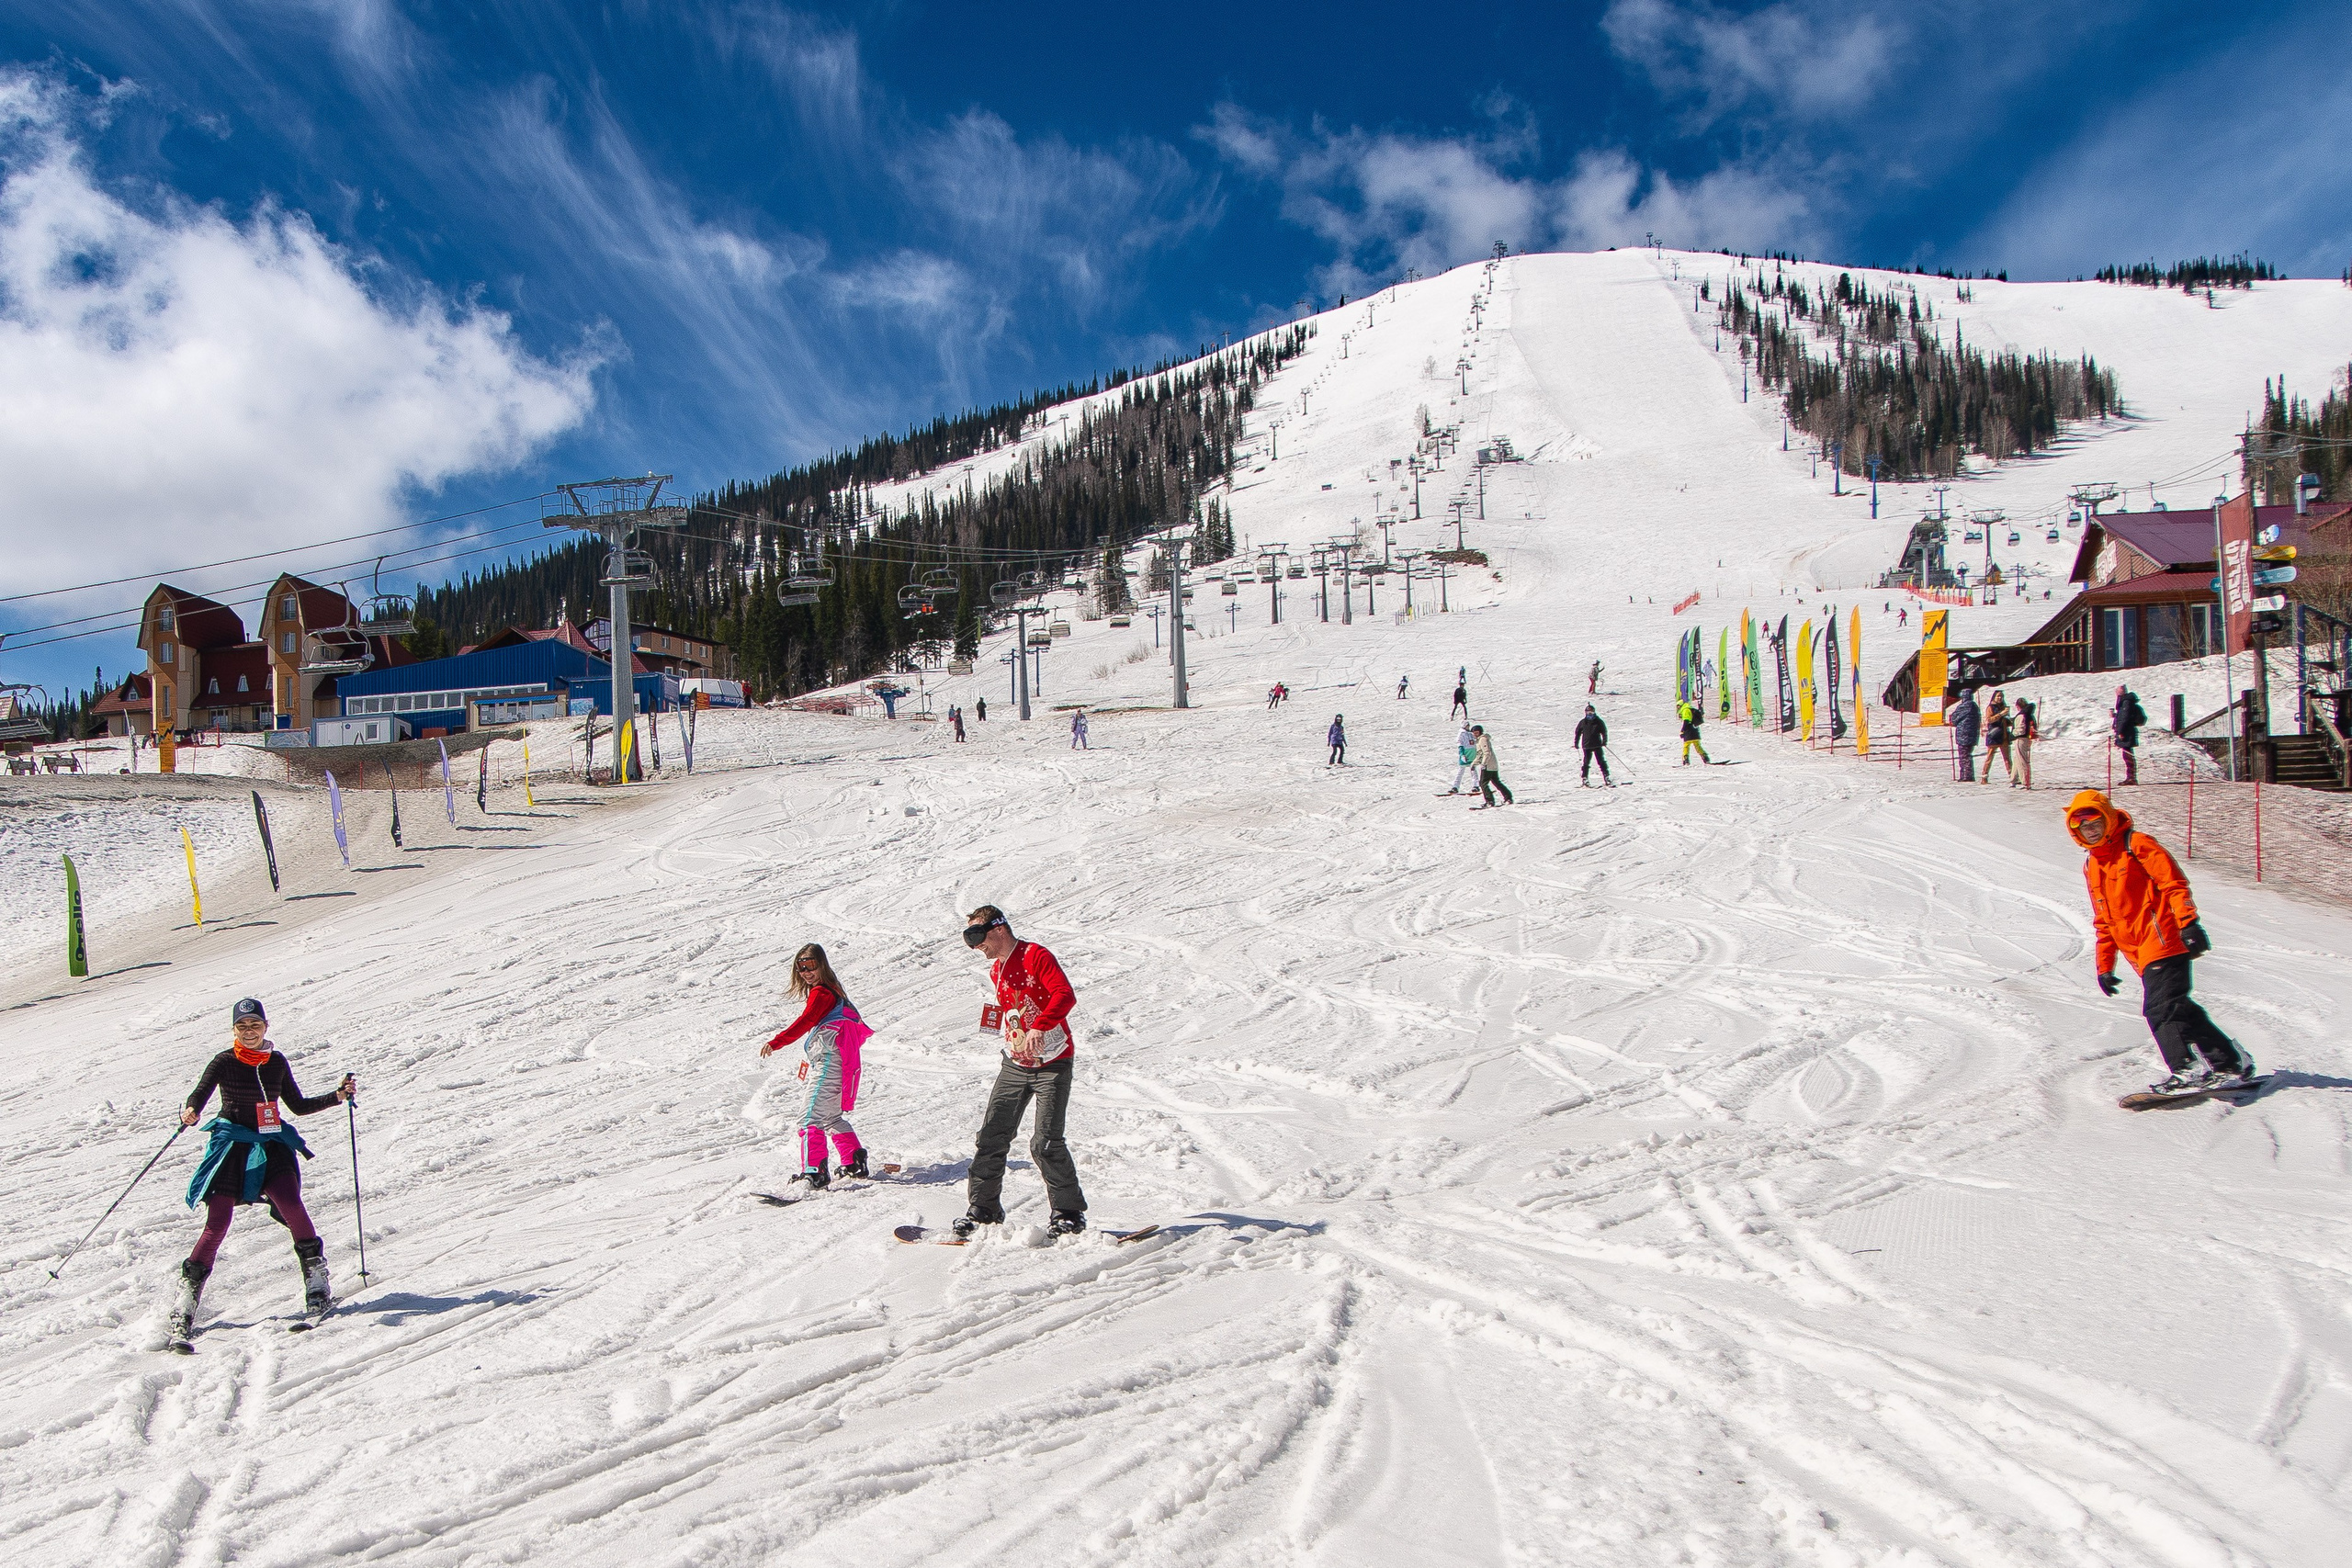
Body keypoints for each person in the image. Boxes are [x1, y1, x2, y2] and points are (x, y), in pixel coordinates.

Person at [171, 998, 355, 1342]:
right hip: (233, 1145)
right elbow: (200, 1093)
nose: (249, 1032)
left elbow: (297, 1106)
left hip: (271, 1143)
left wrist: (338, 1096)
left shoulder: (276, 1062)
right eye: (242, 1027)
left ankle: (317, 1282)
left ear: (266, 1027)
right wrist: (191, 1110)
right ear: (234, 1031)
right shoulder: (224, 1061)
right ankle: (186, 1300)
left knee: (291, 1203)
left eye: (254, 1025)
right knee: (218, 1221)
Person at [2067, 791, 2256, 1093]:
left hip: (2165, 939)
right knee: (2180, 1009)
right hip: (2139, 952)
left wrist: (2188, 922)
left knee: (2161, 1009)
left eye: (2094, 821)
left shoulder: (2137, 845)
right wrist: (2104, 965)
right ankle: (2230, 1063)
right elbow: (2104, 919)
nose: (2089, 828)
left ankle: (2186, 1068)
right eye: (2081, 825)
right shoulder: (2092, 865)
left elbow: (2173, 883)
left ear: (2108, 817)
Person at [956, 908, 1087, 1237]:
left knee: (1045, 1142)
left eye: (977, 937)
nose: (976, 947)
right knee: (991, 1137)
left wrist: (1041, 1026)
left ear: (998, 929)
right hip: (1015, 1064)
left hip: (1052, 1062)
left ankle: (1068, 1213)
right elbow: (1008, 1007)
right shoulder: (997, 970)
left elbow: (1064, 995)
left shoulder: (1036, 955)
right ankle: (984, 1209)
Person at [762, 943, 874, 1191]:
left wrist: (777, 1042)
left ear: (821, 965)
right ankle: (854, 1162)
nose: (806, 972)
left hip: (828, 1063)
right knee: (831, 1117)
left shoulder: (822, 993)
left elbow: (807, 1020)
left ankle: (814, 1172)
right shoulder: (831, 992)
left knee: (809, 1118)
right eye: (801, 967)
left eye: (811, 965)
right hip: (838, 1062)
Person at [1470, 725, 1512, 807]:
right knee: (1496, 782)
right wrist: (1474, 764)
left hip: (1488, 765)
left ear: (1480, 732)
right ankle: (1508, 798)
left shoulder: (1483, 739)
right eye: (1474, 733)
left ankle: (1489, 801)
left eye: (1477, 733)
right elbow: (1480, 755)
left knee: (1483, 783)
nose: (1475, 734)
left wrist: (1483, 764)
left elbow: (1486, 753)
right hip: (1492, 764)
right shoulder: (1480, 740)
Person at [2112, 685, 2145, 785]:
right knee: (2127, 754)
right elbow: (2123, 717)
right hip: (2128, 730)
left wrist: (2120, 731)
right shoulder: (2125, 702)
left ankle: (2131, 777)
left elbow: (2125, 718)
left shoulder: (2126, 702)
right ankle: (2131, 777)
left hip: (2127, 732)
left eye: (2117, 692)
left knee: (2128, 755)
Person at [1982, 691, 2015, 784]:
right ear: (1994, 697)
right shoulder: (1990, 707)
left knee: (2007, 758)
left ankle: (2012, 777)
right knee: (1990, 757)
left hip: (2004, 735)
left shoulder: (2004, 707)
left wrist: (2010, 720)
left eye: (2001, 696)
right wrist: (2001, 714)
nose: (2000, 698)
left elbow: (2006, 721)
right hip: (1994, 735)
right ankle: (1984, 776)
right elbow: (1989, 720)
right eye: (1998, 696)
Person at [1949, 687, 1981, 782]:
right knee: (1968, 755)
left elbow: (1954, 719)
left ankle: (1966, 775)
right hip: (1973, 735)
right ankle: (1969, 774)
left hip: (1963, 735)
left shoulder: (1963, 707)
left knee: (1964, 756)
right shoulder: (1975, 706)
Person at [1574, 705, 1611, 785]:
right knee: (1586, 763)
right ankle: (1585, 778)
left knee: (1601, 762)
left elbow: (1604, 731)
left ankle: (1606, 776)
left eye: (1591, 712)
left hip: (1597, 745)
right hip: (1587, 745)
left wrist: (1604, 741)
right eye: (1588, 712)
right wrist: (1576, 743)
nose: (1589, 714)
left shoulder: (1598, 721)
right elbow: (1578, 732)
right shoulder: (1583, 722)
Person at [1677, 699, 1711, 765]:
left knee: (1686, 746)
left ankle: (1686, 760)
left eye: (1678, 706)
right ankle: (1706, 758)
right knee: (1697, 746)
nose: (1678, 708)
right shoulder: (1690, 709)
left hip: (1689, 731)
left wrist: (1682, 731)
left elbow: (1686, 721)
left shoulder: (1685, 710)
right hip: (1695, 730)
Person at [1446, 720, 1476, 794]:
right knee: (1460, 771)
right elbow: (1460, 745)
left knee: (1473, 771)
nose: (1468, 727)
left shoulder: (1471, 733)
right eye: (1467, 726)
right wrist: (1462, 754)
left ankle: (1476, 786)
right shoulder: (1462, 734)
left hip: (1472, 754)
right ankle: (1455, 787)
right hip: (1466, 754)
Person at [2015, 697, 2038, 790]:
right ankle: (2013, 779)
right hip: (2027, 738)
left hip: (2021, 739)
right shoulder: (2030, 714)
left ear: (2017, 706)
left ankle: (2026, 782)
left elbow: (2020, 729)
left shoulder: (2022, 715)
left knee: (2022, 760)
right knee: (2017, 759)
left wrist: (2012, 734)